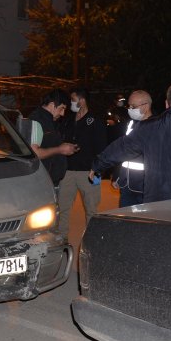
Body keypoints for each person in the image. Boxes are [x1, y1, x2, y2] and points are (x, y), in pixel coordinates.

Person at [56, 88, 108, 238]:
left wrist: (98, 172)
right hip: (68, 171)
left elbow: (102, 148)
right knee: (62, 207)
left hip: (90, 171)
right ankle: (61, 237)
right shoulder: (68, 120)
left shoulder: (96, 121)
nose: (71, 103)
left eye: (73, 99)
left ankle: (92, 239)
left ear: (82, 100)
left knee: (92, 209)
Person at [28, 88, 79, 191]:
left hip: (50, 182)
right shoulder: (36, 121)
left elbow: (49, 144)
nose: (63, 113)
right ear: (52, 105)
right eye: (62, 108)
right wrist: (60, 149)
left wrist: (65, 147)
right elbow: (34, 153)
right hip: (40, 184)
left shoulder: (50, 122)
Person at [110, 90, 153, 207]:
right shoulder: (131, 125)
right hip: (126, 185)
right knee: (125, 222)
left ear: (146, 106)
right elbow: (122, 150)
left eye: (133, 106)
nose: (130, 109)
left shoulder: (156, 127)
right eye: (129, 106)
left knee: (145, 222)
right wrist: (116, 175)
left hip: (145, 188)